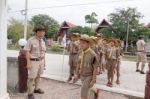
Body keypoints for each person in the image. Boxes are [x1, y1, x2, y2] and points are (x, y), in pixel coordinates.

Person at [24, 25, 46, 99]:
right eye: (40, 31)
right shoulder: (31, 40)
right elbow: (27, 51)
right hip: (33, 61)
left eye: (43, 31)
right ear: (36, 32)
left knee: (39, 75)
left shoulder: (43, 41)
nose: (42, 33)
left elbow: (43, 52)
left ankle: (36, 89)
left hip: (41, 61)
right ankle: (30, 93)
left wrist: (44, 62)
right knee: (31, 78)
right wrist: (28, 62)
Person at [74, 34, 99, 99]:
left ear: (88, 44)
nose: (81, 45)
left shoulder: (93, 54)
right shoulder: (80, 52)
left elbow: (95, 68)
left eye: (83, 43)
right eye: (80, 43)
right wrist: (76, 74)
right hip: (82, 75)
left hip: (89, 75)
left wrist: (93, 80)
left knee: (83, 92)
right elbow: (78, 64)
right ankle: (95, 91)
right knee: (88, 87)